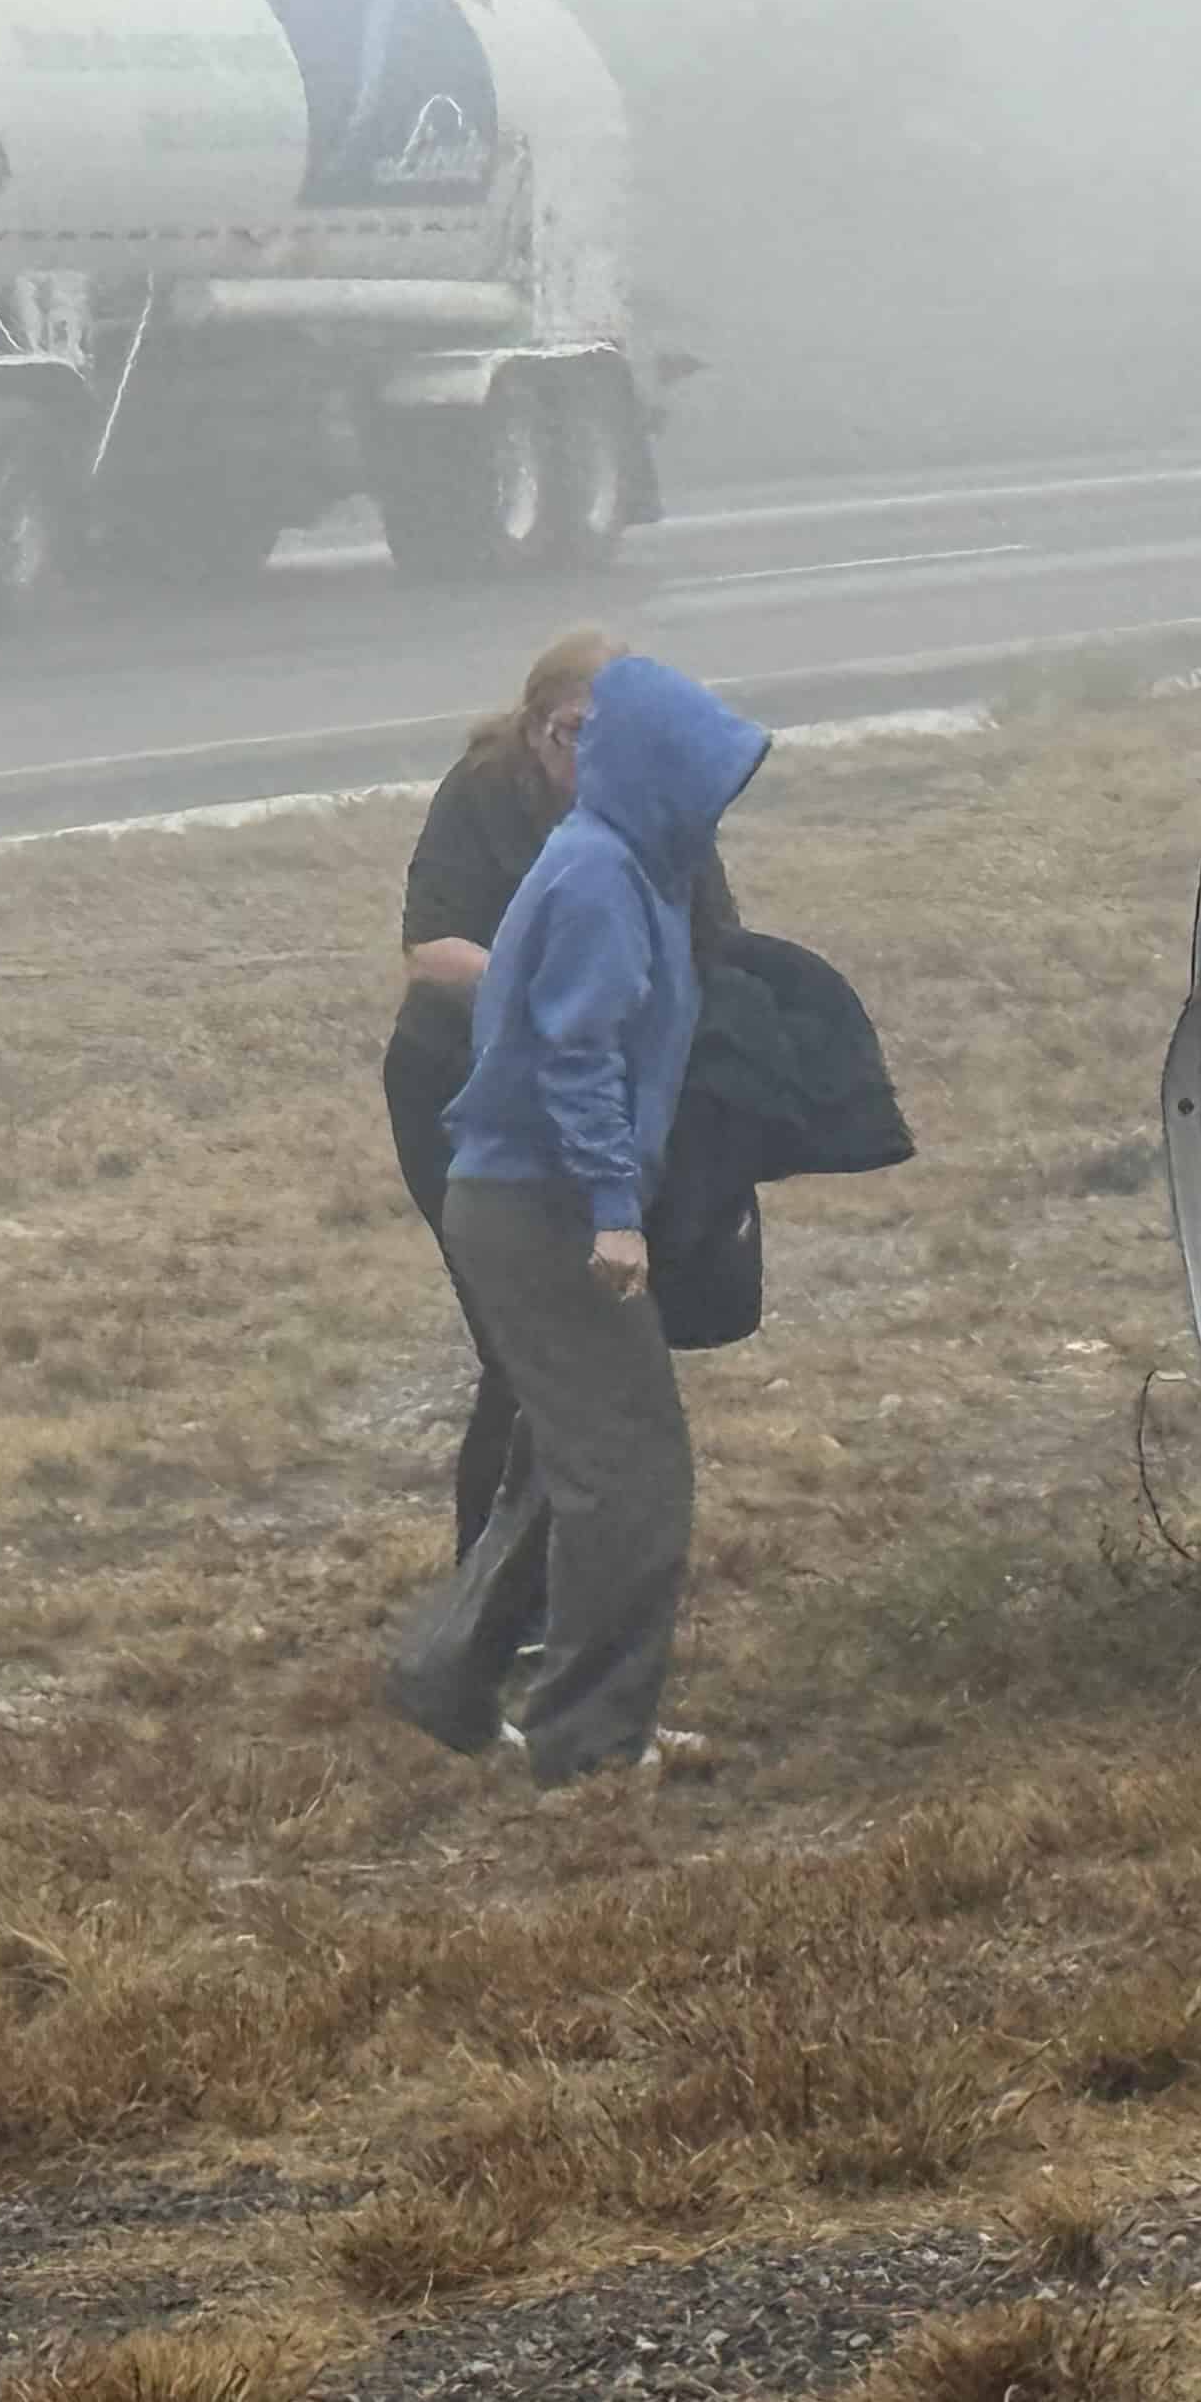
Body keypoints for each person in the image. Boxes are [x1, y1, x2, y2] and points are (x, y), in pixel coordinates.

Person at [381, 653, 771, 1784]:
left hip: (525, 1195)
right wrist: (613, 1212)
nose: (712, 803)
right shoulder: (601, 876)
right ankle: (590, 1740)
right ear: (651, 768)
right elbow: (576, 1055)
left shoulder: (634, 859)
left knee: (568, 1459)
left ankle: (454, 1674)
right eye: (699, 777)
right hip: (542, 1204)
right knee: (632, 1477)